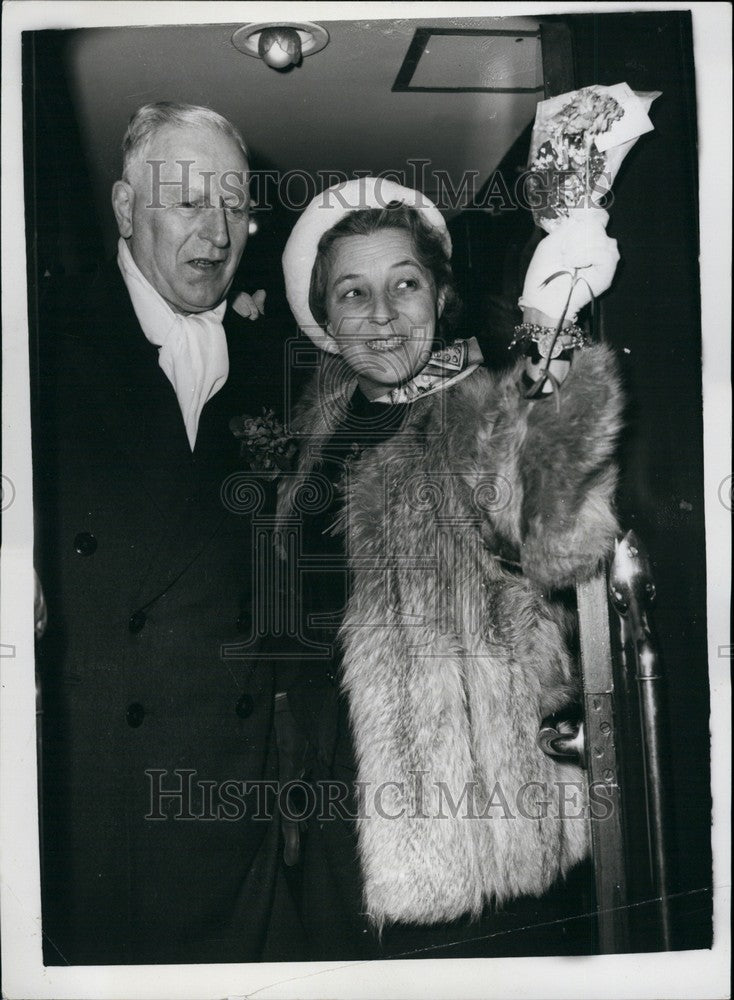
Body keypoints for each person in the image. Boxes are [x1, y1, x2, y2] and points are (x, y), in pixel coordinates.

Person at [272, 177, 623, 960]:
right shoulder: (315, 435)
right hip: (335, 815)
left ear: (440, 295)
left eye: (406, 283)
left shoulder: (481, 412)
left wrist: (552, 339)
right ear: (326, 321)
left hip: (472, 836)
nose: (384, 314)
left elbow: (559, 536)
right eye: (353, 294)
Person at [33, 102, 302, 964]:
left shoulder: (280, 358)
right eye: (188, 202)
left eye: (234, 205)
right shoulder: (36, 335)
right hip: (91, 804)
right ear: (124, 209)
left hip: (234, 804)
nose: (217, 231)